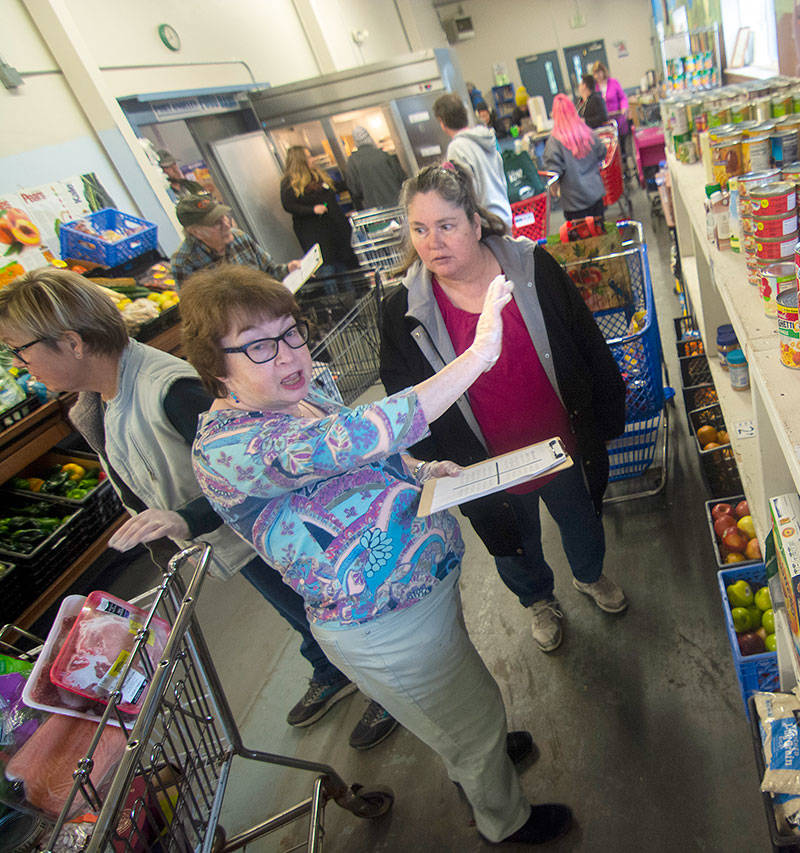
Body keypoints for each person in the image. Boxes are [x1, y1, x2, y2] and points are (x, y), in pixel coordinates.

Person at [184, 264, 572, 845]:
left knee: (462, 702)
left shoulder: (305, 392)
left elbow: (374, 459)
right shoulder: (229, 448)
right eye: (260, 346)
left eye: (292, 332)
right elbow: (349, 440)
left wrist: (421, 471)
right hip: (382, 624)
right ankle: (505, 820)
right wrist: (477, 355)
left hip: (424, 591)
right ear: (215, 365)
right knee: (469, 717)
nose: (290, 355)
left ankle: (480, 757)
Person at [0, 269, 397, 750]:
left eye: (18, 349)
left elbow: (244, 464)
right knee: (299, 614)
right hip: (227, 540)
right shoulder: (99, 400)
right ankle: (329, 667)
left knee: (328, 612)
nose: (21, 364)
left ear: (71, 342)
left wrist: (186, 518)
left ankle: (385, 688)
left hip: (263, 535)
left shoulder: (169, 390)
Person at [379, 165, 627, 653]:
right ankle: (538, 600)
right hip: (481, 463)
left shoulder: (532, 267)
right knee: (512, 542)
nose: (433, 242)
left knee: (581, 518)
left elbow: (585, 340)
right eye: (419, 229)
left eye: (446, 225)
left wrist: (605, 413)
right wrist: (427, 464)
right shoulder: (403, 312)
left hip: (561, 445)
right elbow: (401, 394)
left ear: (474, 222)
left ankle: (589, 575)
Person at [170, 195, 301, 284]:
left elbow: (270, 271)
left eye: (224, 216)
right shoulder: (184, 262)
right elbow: (199, 314)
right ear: (196, 232)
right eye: (216, 222)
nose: (227, 224)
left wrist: (289, 269)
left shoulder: (239, 238)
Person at [434, 93, 513, 227]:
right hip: (503, 214)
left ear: (442, 122)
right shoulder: (485, 137)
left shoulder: (457, 147)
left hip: (485, 222)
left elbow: (464, 192)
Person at [279, 146, 358, 274]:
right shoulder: (290, 183)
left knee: (346, 269)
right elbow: (288, 205)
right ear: (301, 160)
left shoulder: (317, 175)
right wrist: (312, 210)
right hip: (316, 237)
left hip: (336, 233)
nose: (313, 159)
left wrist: (354, 179)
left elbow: (334, 187)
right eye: (309, 157)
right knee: (329, 271)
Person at [543, 94, 608, 223]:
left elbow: (553, 172)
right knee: (600, 235)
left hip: (573, 203)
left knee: (580, 241)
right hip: (595, 195)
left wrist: (554, 190)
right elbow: (602, 152)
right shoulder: (587, 132)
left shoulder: (554, 141)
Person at [345, 126, 406, 210]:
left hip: (373, 208)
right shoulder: (384, 155)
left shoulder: (352, 162)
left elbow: (355, 190)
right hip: (396, 203)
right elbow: (402, 178)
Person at [591, 61, 631, 177]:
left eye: (599, 72)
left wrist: (624, 108)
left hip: (618, 121)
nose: (598, 75)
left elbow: (623, 98)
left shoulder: (613, 83)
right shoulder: (595, 88)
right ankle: (615, 173)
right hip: (605, 126)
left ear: (604, 72)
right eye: (595, 73)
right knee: (609, 151)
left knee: (621, 149)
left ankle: (625, 170)